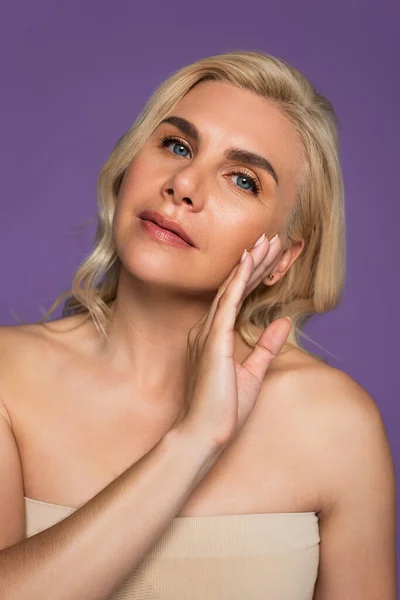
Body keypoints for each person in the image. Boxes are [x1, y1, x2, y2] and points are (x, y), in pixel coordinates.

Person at [0, 50, 396, 600]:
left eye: (242, 179)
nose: (184, 183)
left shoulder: (336, 424)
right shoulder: (8, 380)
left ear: (283, 256)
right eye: (177, 145)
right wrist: (193, 441)